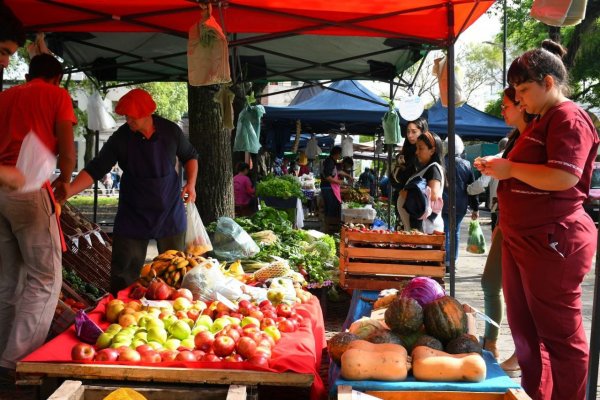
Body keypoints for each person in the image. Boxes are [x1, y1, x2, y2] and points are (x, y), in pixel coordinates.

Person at [476, 40, 599, 400]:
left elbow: (564, 177)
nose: (520, 99)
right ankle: (535, 394)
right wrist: (504, 167)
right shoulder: (541, 120)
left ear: (548, 82)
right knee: (526, 331)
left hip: (552, 239)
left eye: (524, 90)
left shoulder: (568, 116)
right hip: (522, 239)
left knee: (560, 336)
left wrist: (510, 168)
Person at [67, 88, 199, 296]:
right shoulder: (121, 138)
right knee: (124, 273)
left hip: (170, 212)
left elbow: (190, 155)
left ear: (146, 112)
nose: (127, 120)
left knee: (174, 270)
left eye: (131, 116)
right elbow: (96, 168)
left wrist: (190, 184)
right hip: (133, 214)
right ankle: (120, 309)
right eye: (125, 116)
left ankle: (173, 311)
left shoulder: (171, 131)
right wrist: (68, 191)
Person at [0, 54, 77, 384]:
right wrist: (66, 178)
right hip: (29, 186)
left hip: (1, 186)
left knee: (8, 280)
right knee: (46, 279)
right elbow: (67, 146)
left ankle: (2, 353)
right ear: (57, 78)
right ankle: (17, 363)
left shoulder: (5, 96)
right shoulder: (56, 95)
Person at [472, 87, 534, 378]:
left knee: (521, 294)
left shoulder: (536, 136)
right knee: (490, 283)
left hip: (530, 228)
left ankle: (524, 353)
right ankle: (492, 343)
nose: (502, 110)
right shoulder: (514, 140)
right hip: (505, 222)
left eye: (507, 104)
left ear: (523, 104)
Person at [442, 134, 479, 268]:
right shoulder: (467, 165)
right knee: (455, 232)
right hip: (461, 205)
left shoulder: (440, 163)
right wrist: (475, 208)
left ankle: (445, 261)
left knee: (445, 231)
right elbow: (472, 188)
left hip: (444, 204)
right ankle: (453, 261)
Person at [398, 131, 444, 233]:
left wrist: (406, 194)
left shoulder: (433, 169)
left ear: (432, 151)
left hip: (425, 228)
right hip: (419, 228)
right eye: (417, 148)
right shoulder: (426, 168)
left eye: (420, 148)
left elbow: (433, 195)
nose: (416, 152)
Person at [392, 117, 427, 229]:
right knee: (407, 237)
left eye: (414, 131)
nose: (410, 135)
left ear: (422, 131)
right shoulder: (403, 154)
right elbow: (393, 178)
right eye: (408, 131)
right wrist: (401, 190)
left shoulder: (429, 155)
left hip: (420, 205)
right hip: (404, 203)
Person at [320, 146, 352, 232]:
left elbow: (337, 171)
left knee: (331, 207)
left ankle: (329, 227)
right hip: (328, 188)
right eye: (340, 154)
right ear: (337, 153)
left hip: (329, 187)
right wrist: (338, 182)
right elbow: (327, 177)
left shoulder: (332, 161)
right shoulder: (329, 162)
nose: (340, 156)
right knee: (331, 208)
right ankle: (329, 228)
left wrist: (348, 175)